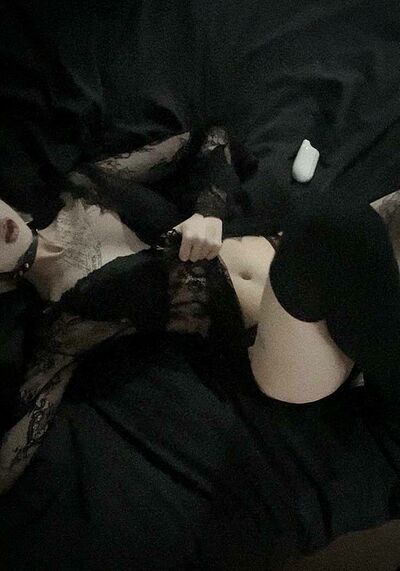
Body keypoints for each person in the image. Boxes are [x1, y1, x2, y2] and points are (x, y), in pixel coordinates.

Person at [1, 126, 400, 495]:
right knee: (337, 225)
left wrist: (208, 211)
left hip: (305, 261)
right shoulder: (62, 324)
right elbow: (13, 453)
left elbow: (210, 139)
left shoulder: (82, 188)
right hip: (284, 350)